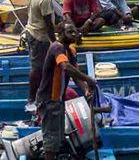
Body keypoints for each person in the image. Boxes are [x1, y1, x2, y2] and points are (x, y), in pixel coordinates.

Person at [37, 22, 97, 160]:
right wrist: (88, 79)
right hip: (49, 99)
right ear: (61, 34)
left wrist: (86, 89)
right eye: (70, 32)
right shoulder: (57, 47)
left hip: (59, 99)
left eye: (75, 31)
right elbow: (66, 67)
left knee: (58, 136)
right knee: (51, 137)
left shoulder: (71, 50)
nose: (74, 34)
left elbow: (74, 75)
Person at [25, 0, 56, 113]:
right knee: (37, 69)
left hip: (30, 32)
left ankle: (41, 94)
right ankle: (31, 99)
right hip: (39, 37)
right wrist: (54, 42)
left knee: (40, 67)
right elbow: (48, 23)